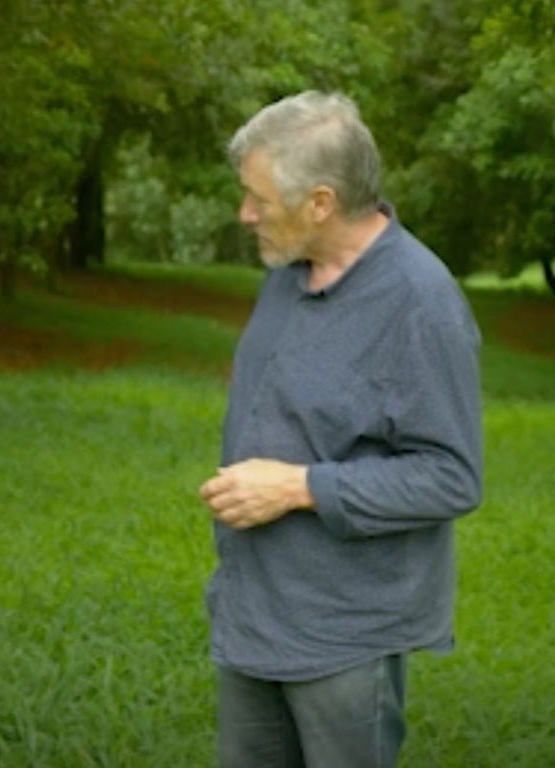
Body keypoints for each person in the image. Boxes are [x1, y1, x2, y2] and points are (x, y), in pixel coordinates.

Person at [198, 91, 483, 767]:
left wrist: (300, 487)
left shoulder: (422, 305)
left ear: (320, 203)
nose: (245, 214)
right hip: (254, 610)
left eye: (257, 198)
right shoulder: (288, 270)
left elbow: (452, 476)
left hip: (343, 634)